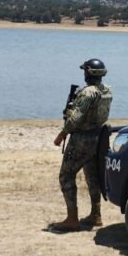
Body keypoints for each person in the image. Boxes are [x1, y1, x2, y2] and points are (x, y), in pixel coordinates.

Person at [49, 58, 113, 232]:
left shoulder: (87, 93)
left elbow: (76, 118)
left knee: (66, 176)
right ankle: (96, 214)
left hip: (82, 139)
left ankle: (72, 219)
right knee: (93, 176)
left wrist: (62, 134)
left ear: (89, 73)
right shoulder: (107, 91)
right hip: (98, 138)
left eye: (85, 71)